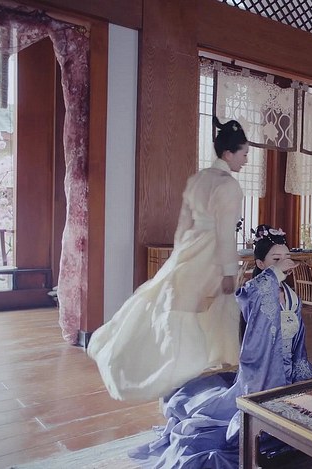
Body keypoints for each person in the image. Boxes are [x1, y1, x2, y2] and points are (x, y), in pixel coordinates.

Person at [129, 227, 312, 468]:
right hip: (262, 374)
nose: (284, 263)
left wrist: (300, 371)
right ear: (261, 264)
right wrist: (274, 274)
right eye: (276, 259)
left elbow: (297, 339)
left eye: (286, 257)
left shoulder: (291, 296)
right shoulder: (254, 291)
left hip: (290, 372)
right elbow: (247, 297)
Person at [87, 118, 249, 401]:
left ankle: (201, 371)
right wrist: (228, 271)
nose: (246, 160)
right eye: (244, 154)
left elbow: (183, 224)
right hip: (210, 255)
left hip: (189, 250)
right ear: (228, 154)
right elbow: (225, 233)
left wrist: (178, 256)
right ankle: (194, 374)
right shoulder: (229, 186)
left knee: (181, 306)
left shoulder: (199, 179)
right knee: (206, 311)